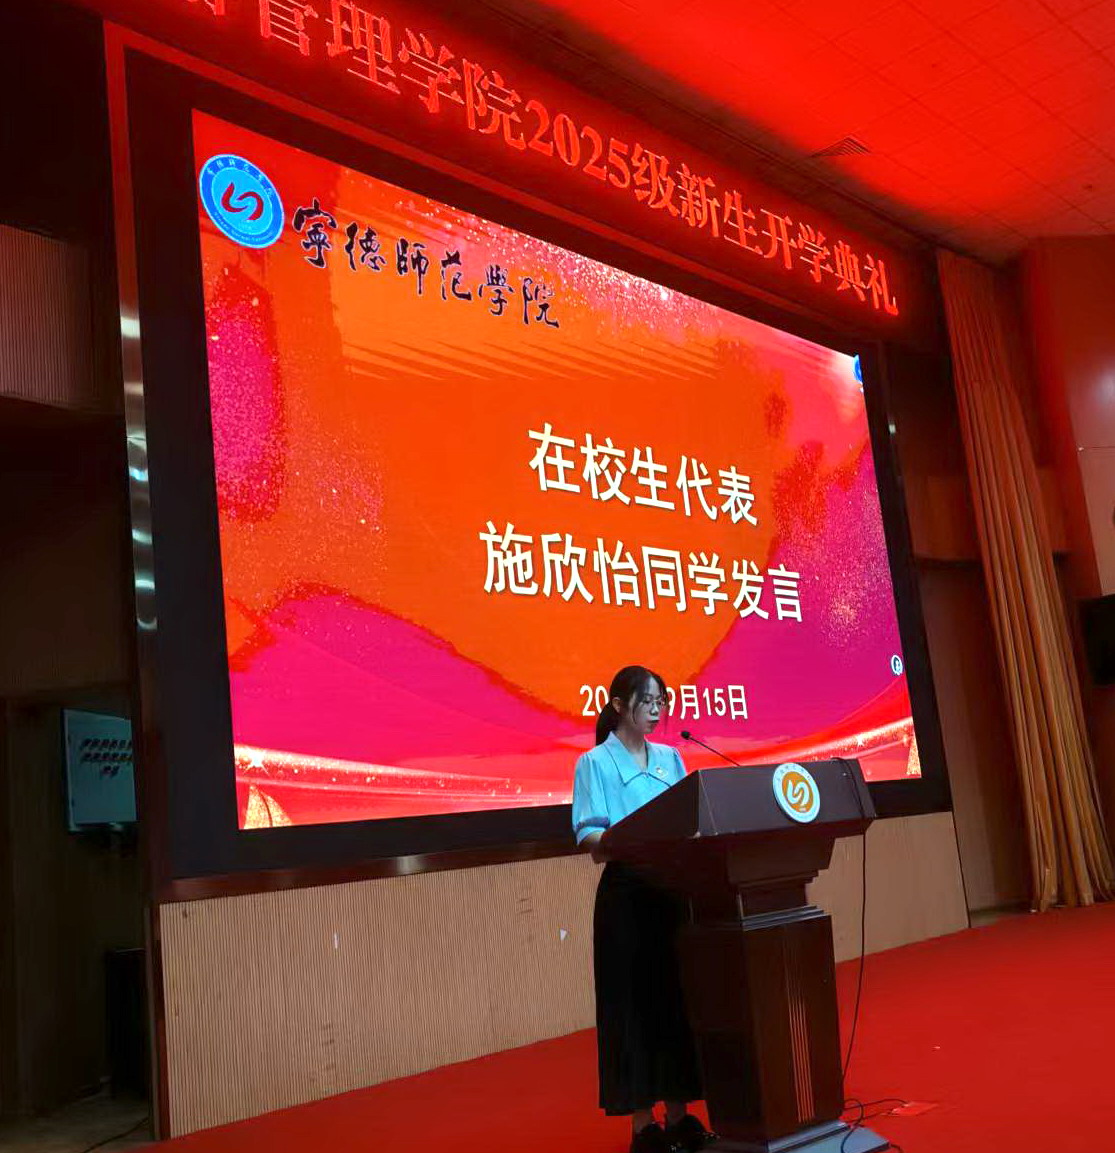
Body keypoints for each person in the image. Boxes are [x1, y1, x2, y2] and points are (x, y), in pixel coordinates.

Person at [571, 665, 715, 1153]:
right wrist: (624, 840)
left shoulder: (671, 758)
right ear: (618, 705)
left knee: (676, 1001)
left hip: (671, 892)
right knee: (632, 1007)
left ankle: (679, 1116)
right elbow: (588, 834)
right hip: (627, 897)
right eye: (647, 701)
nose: (656, 710)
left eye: (661, 702)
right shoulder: (594, 763)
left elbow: (690, 819)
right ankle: (642, 1125)